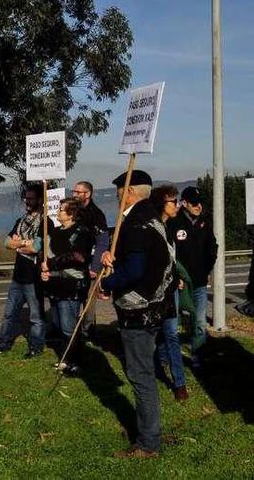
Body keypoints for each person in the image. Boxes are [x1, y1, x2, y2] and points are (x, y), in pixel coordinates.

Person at [99, 170, 174, 458]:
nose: (117, 194)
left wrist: (106, 282)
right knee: (143, 373)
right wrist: (111, 257)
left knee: (140, 375)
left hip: (139, 310)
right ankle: (148, 431)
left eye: (119, 189)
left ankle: (147, 442)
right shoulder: (151, 218)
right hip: (154, 307)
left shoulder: (137, 223)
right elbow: (138, 258)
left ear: (129, 191)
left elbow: (136, 269)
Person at [0, 184, 52, 358]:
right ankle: (3, 343)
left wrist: (19, 244)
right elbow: (6, 243)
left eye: (31, 198)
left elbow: (37, 247)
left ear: (40, 200)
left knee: (36, 316)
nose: (27, 201)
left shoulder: (46, 222)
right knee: (9, 314)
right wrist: (25, 243)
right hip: (18, 277)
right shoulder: (20, 221)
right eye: (26, 197)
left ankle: (36, 347)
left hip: (34, 278)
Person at [39, 198, 94, 374]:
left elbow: (78, 256)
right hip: (55, 285)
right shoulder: (54, 232)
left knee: (68, 326)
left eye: (62, 209)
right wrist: (45, 270)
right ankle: (65, 357)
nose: (58, 212)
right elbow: (47, 255)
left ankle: (73, 361)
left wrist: (52, 264)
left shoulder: (81, 232)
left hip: (72, 285)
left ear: (71, 214)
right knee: (57, 322)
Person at [167, 185, 218, 368]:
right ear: (184, 203)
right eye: (194, 203)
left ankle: (198, 355)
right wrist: (176, 276)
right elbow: (169, 253)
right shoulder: (174, 222)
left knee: (200, 321)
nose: (198, 206)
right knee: (173, 321)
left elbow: (212, 248)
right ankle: (167, 356)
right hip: (179, 283)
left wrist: (206, 269)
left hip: (199, 282)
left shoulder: (205, 222)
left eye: (200, 203)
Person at [150, 184, 189, 401]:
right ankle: (153, 366)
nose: (177, 204)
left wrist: (177, 278)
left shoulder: (173, 228)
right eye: (173, 201)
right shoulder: (152, 229)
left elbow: (173, 260)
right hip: (155, 291)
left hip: (171, 289)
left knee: (172, 334)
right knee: (157, 333)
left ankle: (179, 382)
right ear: (162, 204)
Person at [71, 180, 109, 340]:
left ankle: (88, 331)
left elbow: (102, 241)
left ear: (88, 194)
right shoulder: (74, 212)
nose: (74, 195)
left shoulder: (96, 215)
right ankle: (71, 330)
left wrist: (95, 267)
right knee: (74, 298)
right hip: (74, 263)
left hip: (90, 265)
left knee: (88, 303)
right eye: (74, 191)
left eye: (78, 192)